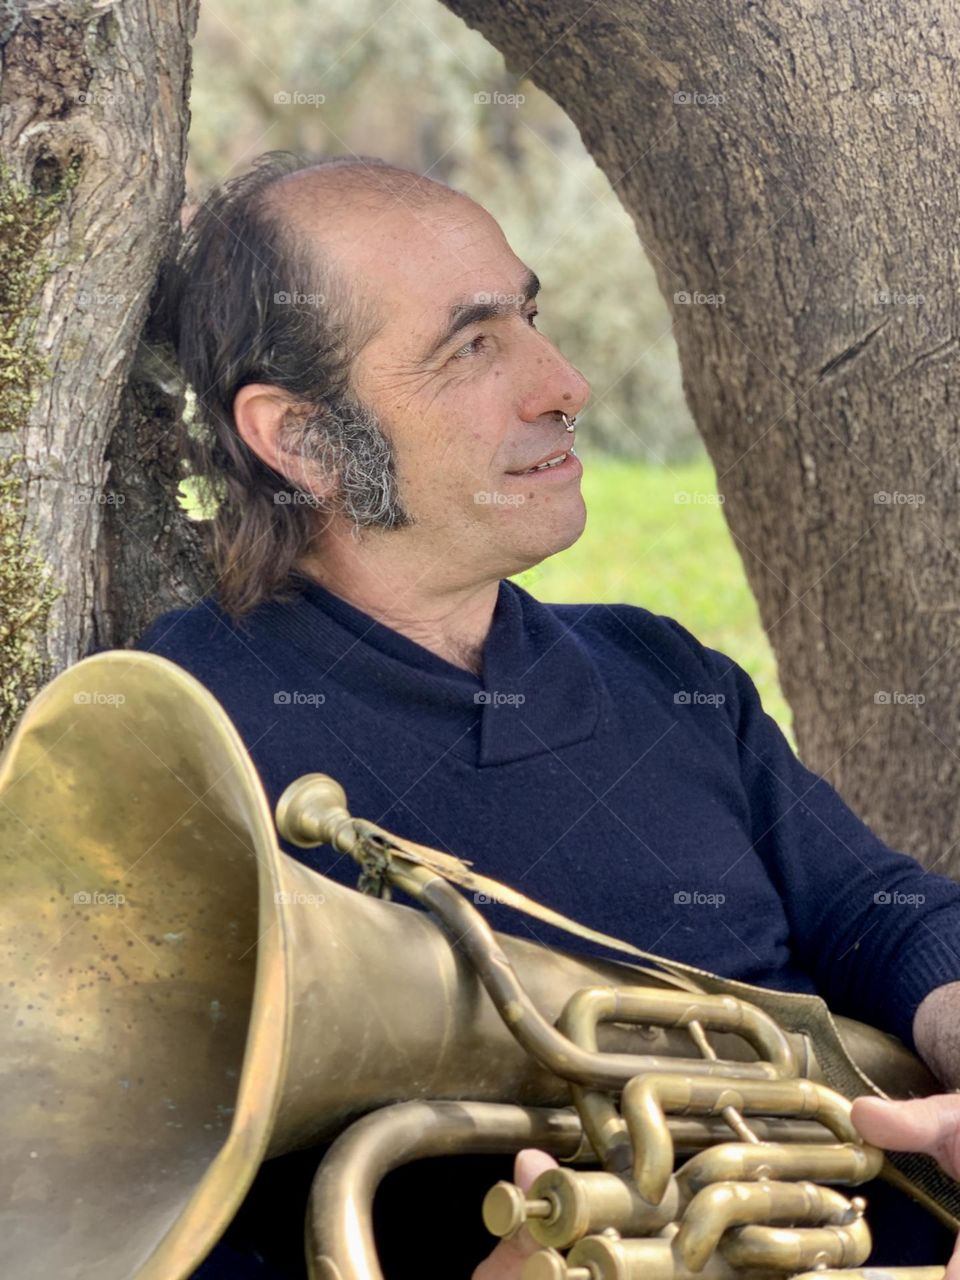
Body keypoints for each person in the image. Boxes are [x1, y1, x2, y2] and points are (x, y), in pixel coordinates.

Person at [135, 151, 960, 1278]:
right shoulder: (173, 740)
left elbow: (881, 912)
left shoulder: (658, 667)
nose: (564, 383)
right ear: (304, 439)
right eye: (471, 347)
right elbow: (138, 1197)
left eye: (530, 318)